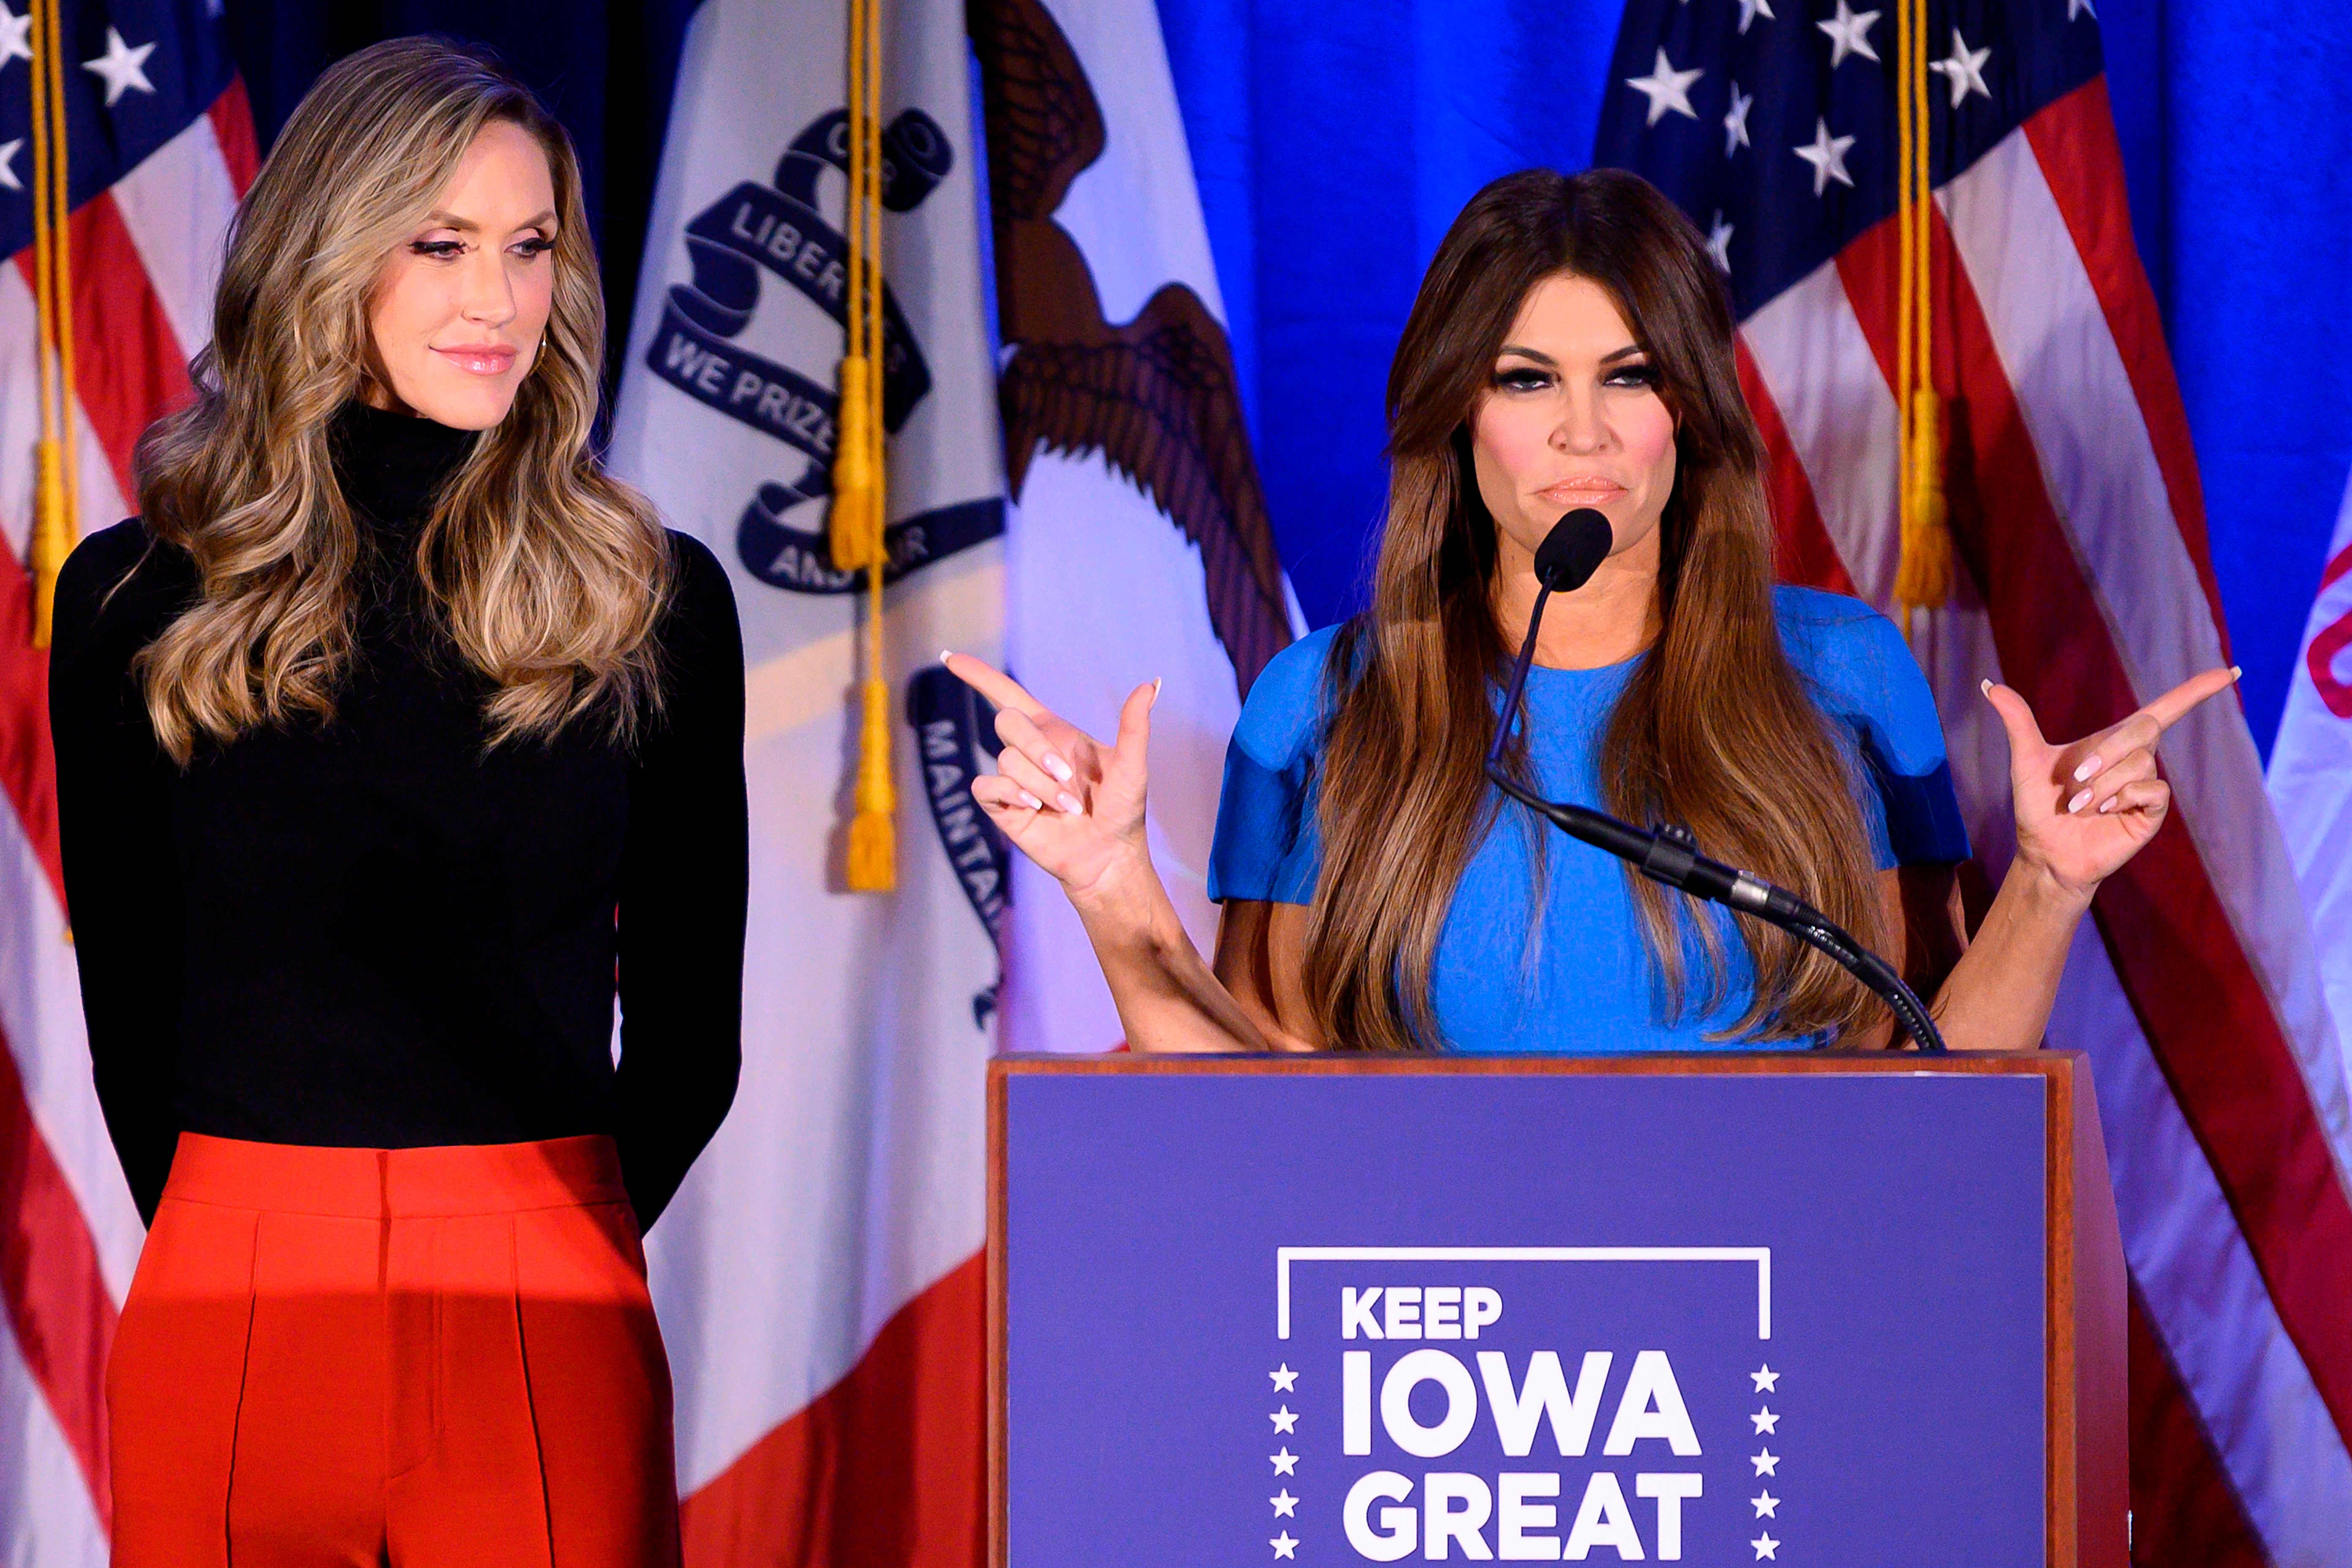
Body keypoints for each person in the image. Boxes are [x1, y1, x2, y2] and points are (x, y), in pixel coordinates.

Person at [946, 166, 2232, 1056]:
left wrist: (2054, 886)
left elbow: (1943, 1070)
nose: (1582, 433)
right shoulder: (1324, 701)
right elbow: (1255, 1088)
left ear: (1691, 414)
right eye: (1527, 379)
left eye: (1630, 376)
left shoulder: (1846, 674)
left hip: (1789, 1329)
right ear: (1461, 414)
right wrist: (1112, 883)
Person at [48, 38, 746, 1566]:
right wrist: (259, 1225)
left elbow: (695, 1035)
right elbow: (128, 1010)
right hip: (230, 1296)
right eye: (440, 246)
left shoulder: (651, 600)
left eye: (530, 247)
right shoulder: (129, 597)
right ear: (328, 254)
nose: (498, 302)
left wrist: (548, 1229)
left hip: (545, 1300)